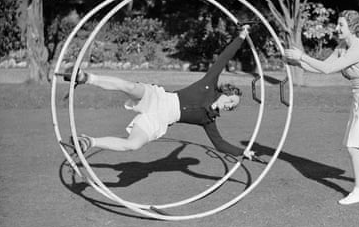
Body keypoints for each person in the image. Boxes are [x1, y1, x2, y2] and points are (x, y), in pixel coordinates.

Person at [64, 25, 255, 160]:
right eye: (231, 100)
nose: (230, 106)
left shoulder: (209, 120)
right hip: (158, 98)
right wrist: (241, 36)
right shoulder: (209, 84)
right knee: (130, 87)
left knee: (132, 145)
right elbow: (224, 58)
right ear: (226, 91)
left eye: (232, 107)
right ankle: (84, 78)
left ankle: (88, 142)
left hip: (158, 121)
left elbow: (220, 144)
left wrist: (242, 152)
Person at [284, 10, 359, 205]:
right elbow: (322, 67)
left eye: (341, 25)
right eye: (337, 24)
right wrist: (296, 62)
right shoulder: (341, 47)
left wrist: (302, 55)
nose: (337, 28)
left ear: (352, 28)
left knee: (354, 146)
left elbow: (328, 69)